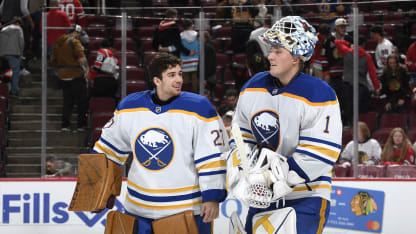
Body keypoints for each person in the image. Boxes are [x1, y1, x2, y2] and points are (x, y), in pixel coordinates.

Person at [226, 16, 342, 234]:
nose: (269, 56)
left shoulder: (319, 93)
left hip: (306, 196)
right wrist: (242, 167)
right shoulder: (253, 87)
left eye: (278, 51)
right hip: (261, 196)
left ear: (296, 56)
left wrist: (271, 178)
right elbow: (241, 137)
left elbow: (319, 153)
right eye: (271, 50)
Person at [91, 53, 228, 234]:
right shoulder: (130, 107)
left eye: (180, 74)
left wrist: (212, 197)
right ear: (157, 80)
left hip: (184, 208)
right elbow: (108, 151)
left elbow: (212, 156)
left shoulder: (200, 108)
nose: (179, 79)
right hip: (138, 208)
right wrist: (99, 187)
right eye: (172, 75)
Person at [334, 36, 380, 127]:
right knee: (359, 108)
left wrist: (349, 44)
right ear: (364, 44)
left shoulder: (347, 51)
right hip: (360, 86)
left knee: (347, 106)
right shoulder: (367, 56)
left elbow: (337, 42)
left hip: (347, 85)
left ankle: (348, 125)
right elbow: (372, 73)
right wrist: (377, 87)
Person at [52, 24, 89, 132]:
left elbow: (54, 61)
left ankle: (65, 125)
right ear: (76, 32)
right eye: (79, 34)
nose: (79, 36)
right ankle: (80, 125)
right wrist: (87, 69)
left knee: (67, 102)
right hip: (75, 74)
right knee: (81, 101)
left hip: (63, 76)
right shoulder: (75, 42)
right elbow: (81, 58)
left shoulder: (58, 43)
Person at [0, 17, 25, 97]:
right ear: (19, 23)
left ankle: (6, 90)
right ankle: (14, 90)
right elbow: (21, 41)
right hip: (14, 53)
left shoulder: (3, 29)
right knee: (15, 72)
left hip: (3, 54)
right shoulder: (18, 29)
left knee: (6, 72)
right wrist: (21, 53)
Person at [180, 19, 200, 93]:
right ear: (191, 26)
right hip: (195, 61)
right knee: (195, 82)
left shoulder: (180, 36)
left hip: (184, 62)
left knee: (185, 83)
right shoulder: (197, 35)